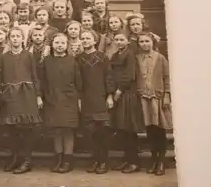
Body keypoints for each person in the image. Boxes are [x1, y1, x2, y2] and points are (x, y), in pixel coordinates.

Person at [0, 27, 43, 174]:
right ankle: (15, 158)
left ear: (23, 39)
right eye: (12, 36)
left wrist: (38, 95)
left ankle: (26, 160)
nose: (15, 39)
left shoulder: (28, 56)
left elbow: (35, 77)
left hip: (27, 94)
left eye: (18, 36)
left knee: (27, 129)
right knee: (12, 129)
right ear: (9, 39)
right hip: (11, 95)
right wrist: (0, 97)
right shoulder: (4, 57)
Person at [40, 33, 82, 173]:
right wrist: (42, 96)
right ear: (52, 45)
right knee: (56, 130)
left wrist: (78, 99)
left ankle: (67, 160)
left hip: (69, 99)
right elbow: (42, 81)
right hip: (52, 99)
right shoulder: (46, 61)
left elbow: (78, 82)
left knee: (68, 130)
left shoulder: (72, 61)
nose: (59, 45)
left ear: (67, 45)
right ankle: (58, 158)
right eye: (57, 42)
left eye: (62, 43)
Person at [77, 30, 115, 174]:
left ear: (95, 41)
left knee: (102, 132)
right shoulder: (78, 58)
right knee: (90, 133)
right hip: (86, 99)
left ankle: (104, 161)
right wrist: (79, 99)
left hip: (100, 97)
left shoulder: (102, 57)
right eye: (83, 38)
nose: (85, 40)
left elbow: (109, 77)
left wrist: (110, 95)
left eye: (88, 38)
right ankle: (95, 160)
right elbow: (77, 80)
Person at [136, 32, 172, 176]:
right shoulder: (137, 58)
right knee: (149, 129)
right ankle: (154, 158)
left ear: (152, 42)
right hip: (143, 97)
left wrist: (167, 95)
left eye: (147, 41)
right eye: (142, 41)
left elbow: (167, 77)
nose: (145, 44)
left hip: (157, 97)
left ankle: (161, 160)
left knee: (159, 129)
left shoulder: (160, 58)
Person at [109, 31, 144, 174]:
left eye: (122, 39)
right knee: (122, 129)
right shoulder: (115, 55)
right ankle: (126, 159)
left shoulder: (130, 55)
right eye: (116, 39)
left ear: (127, 41)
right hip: (118, 94)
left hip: (127, 94)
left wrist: (119, 90)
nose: (119, 42)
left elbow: (129, 75)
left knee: (129, 129)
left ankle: (134, 162)